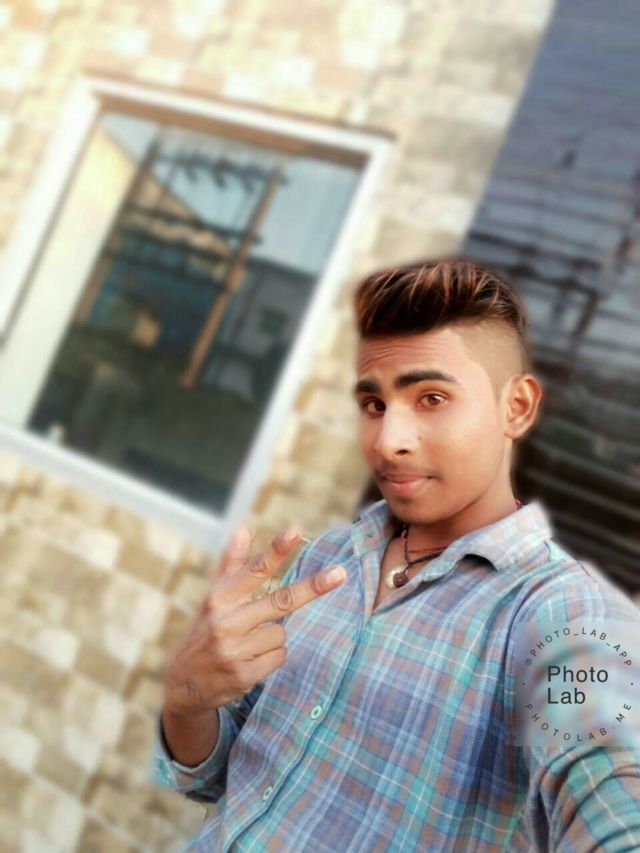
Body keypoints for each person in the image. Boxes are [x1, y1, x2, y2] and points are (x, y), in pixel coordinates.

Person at [152, 259, 640, 851]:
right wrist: (188, 698)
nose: (388, 442)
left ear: (516, 407)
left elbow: (610, 783)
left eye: (431, 397)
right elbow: (216, 775)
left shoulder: (562, 616)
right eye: (374, 404)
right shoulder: (322, 562)